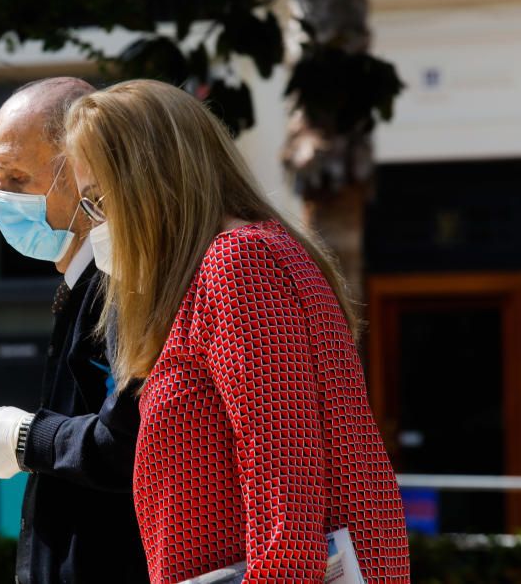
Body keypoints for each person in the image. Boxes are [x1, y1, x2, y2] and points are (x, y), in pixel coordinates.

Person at [64, 79, 410, 584]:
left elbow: (284, 476)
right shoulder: (234, 260)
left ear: (148, 180)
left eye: (98, 198)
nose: (98, 220)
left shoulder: (238, 261)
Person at [0, 78, 149, 584]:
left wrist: (29, 438)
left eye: (16, 178)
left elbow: (130, 440)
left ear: (82, 172)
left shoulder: (118, 285)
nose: (0, 197)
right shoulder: (88, 282)